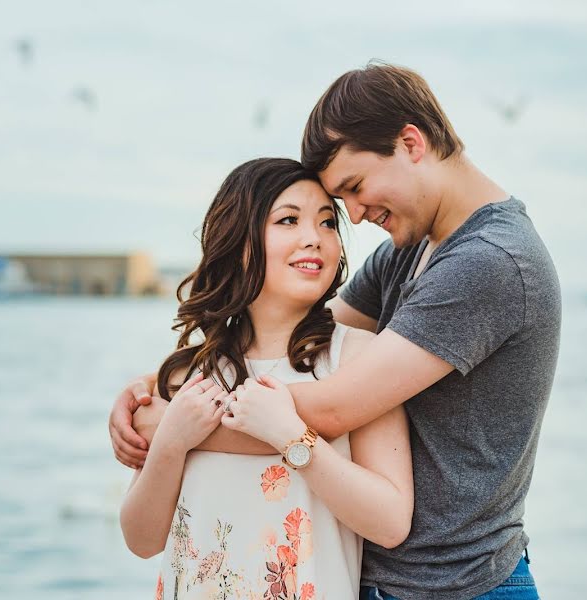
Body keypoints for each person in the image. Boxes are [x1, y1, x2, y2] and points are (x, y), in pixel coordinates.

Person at [111, 62, 561, 600]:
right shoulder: (409, 253)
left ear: (411, 143)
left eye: (352, 189)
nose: (354, 215)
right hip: (382, 580)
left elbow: (331, 408)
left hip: (459, 584)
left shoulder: (492, 261)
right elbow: (298, 334)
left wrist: (168, 422)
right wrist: (151, 383)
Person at [120, 157, 414, 598]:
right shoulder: (190, 373)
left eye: (328, 222)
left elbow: (390, 522)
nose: (314, 238)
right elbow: (141, 540)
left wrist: (293, 438)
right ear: (238, 241)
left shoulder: (357, 359)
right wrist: (171, 442)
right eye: (288, 220)